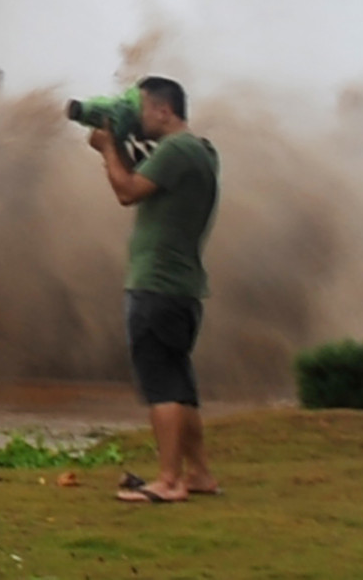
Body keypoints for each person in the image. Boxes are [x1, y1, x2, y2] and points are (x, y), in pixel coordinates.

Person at [88, 75, 221, 504]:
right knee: (181, 386)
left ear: (164, 110)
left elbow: (127, 191)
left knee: (161, 384)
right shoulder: (200, 151)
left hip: (156, 286)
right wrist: (122, 142)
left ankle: (168, 481)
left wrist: (109, 147)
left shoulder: (176, 150)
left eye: (141, 108)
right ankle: (200, 474)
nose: (138, 116)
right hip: (181, 287)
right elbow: (146, 177)